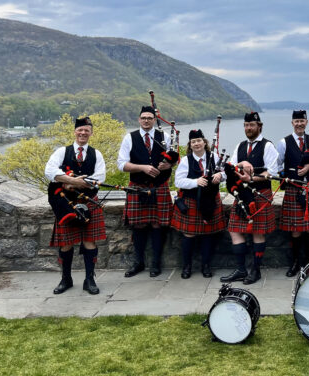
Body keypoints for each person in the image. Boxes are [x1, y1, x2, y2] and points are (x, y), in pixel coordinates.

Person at [45, 116, 106, 295]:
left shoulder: (97, 154)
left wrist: (75, 183)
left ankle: (90, 280)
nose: (83, 133)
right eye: (80, 130)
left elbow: (100, 178)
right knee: (65, 243)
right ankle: (66, 279)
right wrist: (70, 180)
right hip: (66, 203)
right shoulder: (62, 152)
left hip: (88, 202)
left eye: (87, 130)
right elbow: (49, 171)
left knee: (89, 241)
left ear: (91, 133)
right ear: (75, 132)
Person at [220, 111, 279, 285]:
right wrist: (239, 165)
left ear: (259, 126)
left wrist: (251, 178)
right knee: (234, 230)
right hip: (242, 195)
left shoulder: (268, 146)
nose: (248, 128)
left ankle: (256, 270)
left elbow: (272, 173)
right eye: (246, 125)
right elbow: (230, 167)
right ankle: (241, 269)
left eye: (252, 125)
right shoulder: (240, 146)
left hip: (260, 194)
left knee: (258, 233)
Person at [117, 106, 176, 278]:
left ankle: (156, 263)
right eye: (143, 117)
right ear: (139, 119)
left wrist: (168, 164)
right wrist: (142, 167)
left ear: (154, 120)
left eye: (150, 118)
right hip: (138, 186)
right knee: (139, 224)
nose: (146, 120)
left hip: (159, 186)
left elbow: (173, 158)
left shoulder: (163, 137)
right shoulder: (130, 137)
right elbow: (121, 164)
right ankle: (139, 263)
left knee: (158, 224)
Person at [276, 110, 309, 277]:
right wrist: (289, 176)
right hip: (294, 189)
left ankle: (307, 263)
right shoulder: (284, 142)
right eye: (296, 121)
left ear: (306, 123)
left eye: (302, 121)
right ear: (292, 123)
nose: (299, 124)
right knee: (295, 230)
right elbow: (278, 165)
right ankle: (296, 263)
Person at [170, 129, 225, 279]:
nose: (196, 144)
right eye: (193, 142)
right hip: (191, 200)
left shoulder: (214, 156)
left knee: (208, 234)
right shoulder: (186, 160)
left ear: (204, 142)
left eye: (199, 140)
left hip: (210, 200)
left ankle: (206, 266)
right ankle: (186, 266)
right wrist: (196, 182)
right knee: (189, 234)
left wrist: (220, 175)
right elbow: (178, 181)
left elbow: (225, 172)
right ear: (190, 145)